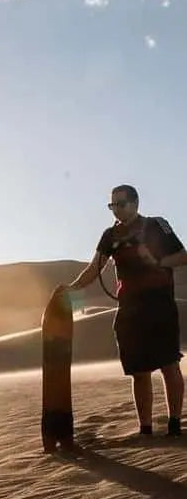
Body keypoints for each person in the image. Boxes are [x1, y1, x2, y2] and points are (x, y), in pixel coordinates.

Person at [67, 185, 187, 437]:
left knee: (169, 365)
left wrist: (158, 261)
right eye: (112, 205)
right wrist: (72, 288)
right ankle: (145, 428)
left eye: (120, 204)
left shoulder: (156, 225)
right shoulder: (110, 235)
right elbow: (94, 268)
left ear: (135, 203)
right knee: (138, 371)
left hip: (159, 307)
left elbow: (182, 256)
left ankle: (175, 423)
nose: (116, 210)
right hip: (130, 310)